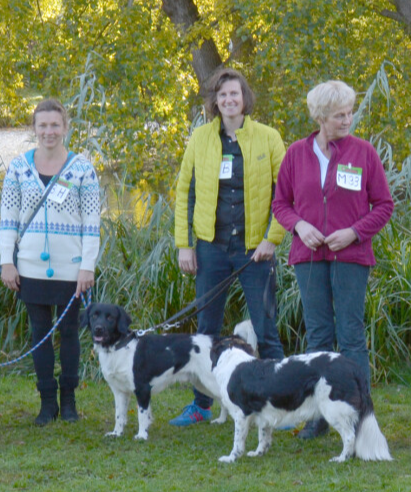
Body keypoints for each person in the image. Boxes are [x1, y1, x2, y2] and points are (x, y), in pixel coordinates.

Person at [271, 80, 394, 439]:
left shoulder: (364, 153)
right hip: (308, 257)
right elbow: (281, 204)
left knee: (351, 336)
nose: (347, 120)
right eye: (339, 115)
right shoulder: (296, 154)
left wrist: (354, 232)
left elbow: (384, 205)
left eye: (349, 113)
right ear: (321, 117)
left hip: (351, 256)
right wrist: (299, 226)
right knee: (318, 338)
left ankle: (361, 415)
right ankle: (319, 417)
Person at [168, 68, 288, 426]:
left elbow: (286, 193)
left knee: (266, 329)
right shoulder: (200, 138)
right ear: (215, 101)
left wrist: (272, 238)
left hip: (255, 251)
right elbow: (184, 192)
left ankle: (282, 406)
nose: (228, 100)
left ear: (244, 97)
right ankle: (201, 405)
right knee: (206, 330)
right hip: (210, 247)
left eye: (234, 93)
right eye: (222, 95)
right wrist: (184, 244)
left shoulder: (268, 137)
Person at [0, 99, 102, 425]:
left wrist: (87, 265)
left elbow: (92, 223)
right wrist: (6, 261)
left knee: (69, 333)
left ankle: (68, 401)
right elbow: (8, 219)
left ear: (65, 127)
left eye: (55, 125)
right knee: (39, 332)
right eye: (42, 125)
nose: (49, 131)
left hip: (71, 267)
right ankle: (46, 402)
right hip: (30, 266)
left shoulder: (82, 168)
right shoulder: (18, 168)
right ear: (34, 129)